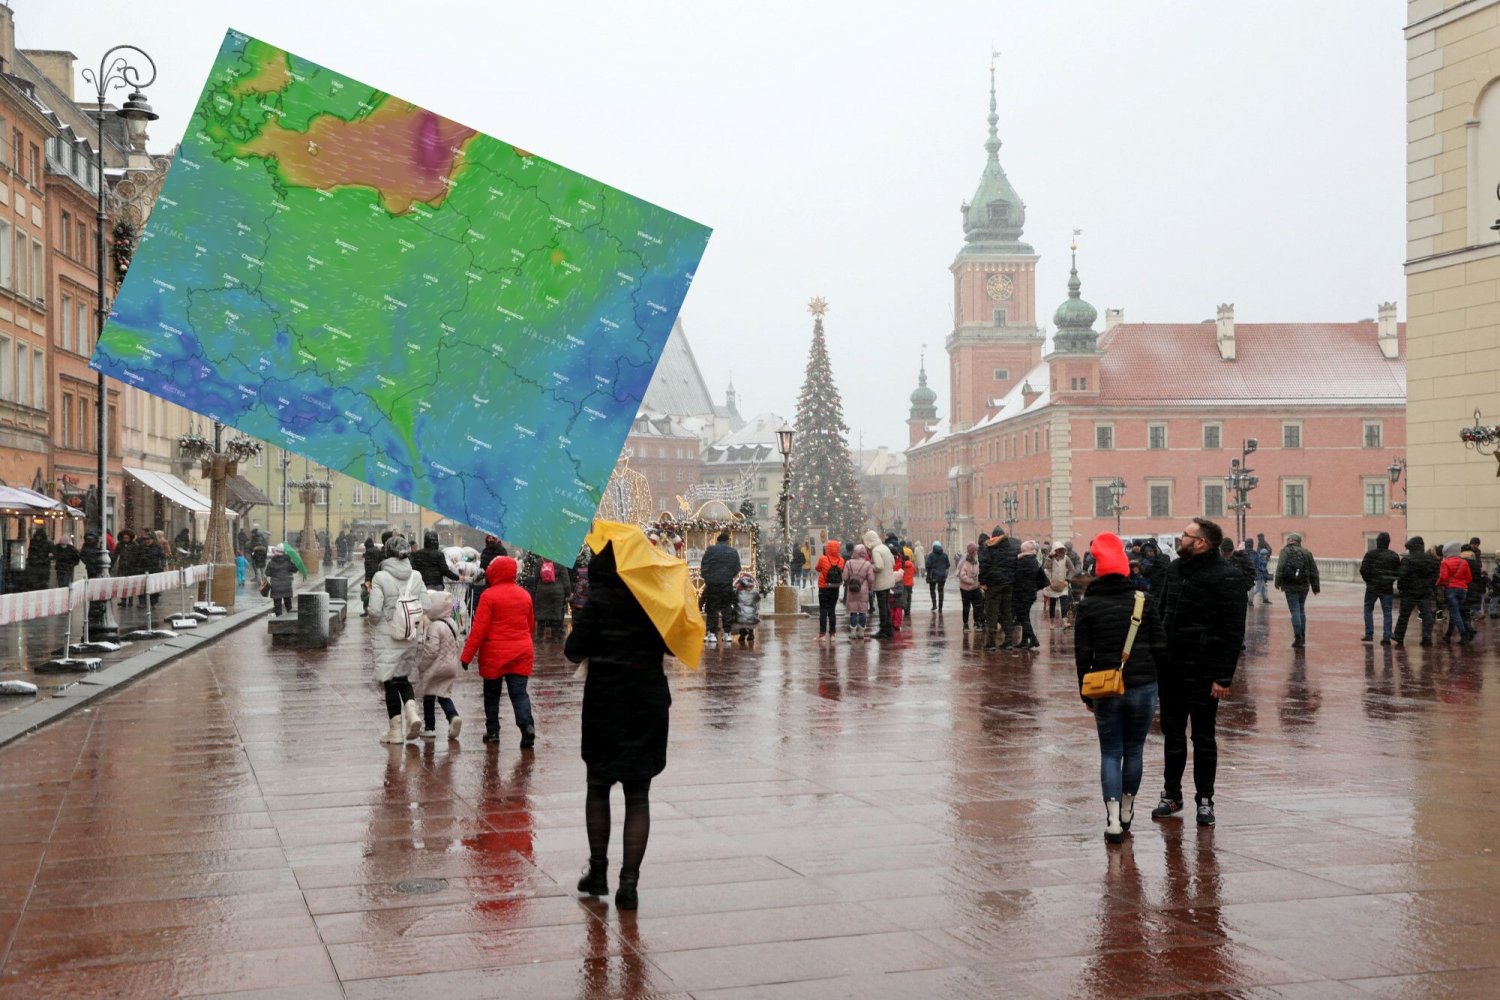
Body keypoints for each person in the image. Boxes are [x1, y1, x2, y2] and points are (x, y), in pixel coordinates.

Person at [564, 537, 672, 911]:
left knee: (598, 788)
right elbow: (674, 645)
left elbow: (572, 651)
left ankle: (598, 872)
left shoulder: (598, 601)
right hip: (646, 703)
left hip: (605, 704)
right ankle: (629, 884)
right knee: (638, 795)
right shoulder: (655, 601)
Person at [1151, 517, 1246, 828]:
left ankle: (1205, 799)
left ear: (1201, 542)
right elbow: (1162, 614)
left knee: (1204, 737)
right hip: (1172, 669)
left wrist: (1223, 676)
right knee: (1173, 734)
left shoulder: (1227, 576)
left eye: (1186, 535)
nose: (1181, 539)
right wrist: (1157, 657)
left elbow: (1233, 630)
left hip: (1205, 672)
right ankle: (1171, 794)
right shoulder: (1174, 570)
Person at [1075, 532, 1166, 844]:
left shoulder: (1088, 605)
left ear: (1099, 570)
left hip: (1105, 686)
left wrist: (1085, 692)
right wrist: (1161, 684)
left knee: (1111, 752)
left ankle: (1113, 820)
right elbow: (1160, 647)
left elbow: (1082, 654)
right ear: (1126, 568)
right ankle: (1128, 810)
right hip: (1143, 685)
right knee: (1134, 750)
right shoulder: (1143, 601)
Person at [461, 555, 537, 746]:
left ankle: (493, 731)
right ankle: (527, 726)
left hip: (494, 654)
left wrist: (466, 656)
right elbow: (530, 626)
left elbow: (479, 630)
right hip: (521, 651)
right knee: (519, 693)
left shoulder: (489, 596)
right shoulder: (524, 595)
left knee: (492, 695)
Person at [368, 536, 426, 743]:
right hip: (409, 634)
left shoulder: (380, 577)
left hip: (388, 636)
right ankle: (412, 713)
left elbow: (374, 611)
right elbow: (427, 605)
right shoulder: (416, 576)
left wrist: (376, 620)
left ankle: (395, 732)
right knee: (402, 678)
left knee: (390, 681)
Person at [409, 589, 463, 740]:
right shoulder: (452, 623)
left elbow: (431, 651)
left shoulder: (434, 626)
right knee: (444, 694)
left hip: (436, 667)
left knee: (429, 695)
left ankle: (430, 727)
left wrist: (422, 666)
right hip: (451, 666)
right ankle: (453, 716)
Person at [1273, 532, 1320, 649]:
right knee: (1301, 610)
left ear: (1291, 540)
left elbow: (1280, 567)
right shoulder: (1306, 552)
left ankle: (1298, 637)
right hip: (1304, 586)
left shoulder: (1285, 551)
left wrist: (1277, 582)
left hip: (1290, 586)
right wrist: (1315, 587)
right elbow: (1314, 570)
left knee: (1295, 611)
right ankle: (1302, 636)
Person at [978, 526, 1020, 651]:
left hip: (994, 585)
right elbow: (1015, 567)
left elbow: (984, 566)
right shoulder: (1012, 550)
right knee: (1007, 612)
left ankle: (991, 642)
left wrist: (983, 582)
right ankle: (1008, 641)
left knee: (992, 612)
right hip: (1008, 585)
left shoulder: (990, 549)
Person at [1393, 535, 1438, 647]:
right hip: (1424, 592)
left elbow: (1402, 576)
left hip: (1409, 592)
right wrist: (1429, 586)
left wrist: (1401, 588)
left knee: (1404, 615)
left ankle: (1399, 636)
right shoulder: (1429, 559)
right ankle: (1427, 637)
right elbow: (1434, 575)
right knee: (1427, 615)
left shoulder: (1407, 559)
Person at [1359, 531, 1401, 645]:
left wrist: (1369, 581)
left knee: (1368, 609)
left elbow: (1363, 570)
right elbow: (1398, 572)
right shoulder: (1393, 555)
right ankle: (1386, 637)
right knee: (1387, 612)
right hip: (1386, 588)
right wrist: (1390, 580)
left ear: (1377, 542)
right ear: (1388, 542)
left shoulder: (1370, 554)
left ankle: (1369, 634)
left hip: (1372, 587)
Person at [699, 531, 740, 645]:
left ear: (717, 541)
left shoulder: (710, 550)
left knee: (712, 608)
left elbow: (704, 566)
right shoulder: (733, 552)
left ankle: (712, 633)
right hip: (726, 583)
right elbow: (737, 568)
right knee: (726, 607)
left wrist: (708, 578)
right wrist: (728, 577)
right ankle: (727, 633)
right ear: (727, 541)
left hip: (712, 584)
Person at [1438, 541, 1475, 644]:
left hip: (1451, 590)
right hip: (1463, 590)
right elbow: (1469, 578)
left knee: (1455, 613)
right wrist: (1461, 583)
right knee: (1458, 612)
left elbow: (1443, 578)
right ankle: (1451, 634)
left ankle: (1464, 634)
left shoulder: (1445, 562)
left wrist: (1438, 584)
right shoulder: (1464, 562)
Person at [862, 529, 896, 639]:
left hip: (881, 582)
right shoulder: (884, 547)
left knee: (882, 607)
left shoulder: (876, 550)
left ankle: (883, 629)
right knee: (886, 606)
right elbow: (893, 562)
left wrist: (869, 566)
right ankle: (889, 629)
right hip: (888, 581)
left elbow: (879, 566)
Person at [1012, 540, 1046, 649]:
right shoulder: (1033, 559)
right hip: (1030, 593)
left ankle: (1033, 639)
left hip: (1023, 593)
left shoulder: (1023, 560)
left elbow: (1017, 576)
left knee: (1022, 616)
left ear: (1024, 549)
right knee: (1025, 616)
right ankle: (1024, 641)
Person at [532, 556, 571, 640]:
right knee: (556, 615)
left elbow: (536, 578)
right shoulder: (561, 561)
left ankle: (539, 637)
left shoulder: (540, 561)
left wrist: (535, 591)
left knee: (541, 615)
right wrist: (567, 593)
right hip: (557, 591)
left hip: (542, 590)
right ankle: (555, 637)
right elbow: (565, 580)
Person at [813, 539, 845, 639]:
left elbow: (817, 568)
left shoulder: (823, 559)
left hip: (824, 587)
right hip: (835, 588)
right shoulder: (841, 560)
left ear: (828, 548)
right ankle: (832, 634)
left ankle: (822, 634)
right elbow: (841, 571)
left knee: (823, 610)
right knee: (832, 610)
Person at [843, 543, 875, 638]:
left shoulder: (848, 562)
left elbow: (844, 577)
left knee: (853, 612)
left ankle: (853, 633)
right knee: (862, 612)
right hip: (863, 590)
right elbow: (871, 579)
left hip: (852, 589)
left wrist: (850, 580)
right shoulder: (867, 564)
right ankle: (861, 633)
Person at [958, 540, 984, 633]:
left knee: (977, 606)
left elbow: (978, 572)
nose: (976, 552)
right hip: (965, 589)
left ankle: (977, 622)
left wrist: (978, 581)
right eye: (975, 551)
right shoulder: (964, 562)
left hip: (975, 588)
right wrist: (972, 581)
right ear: (972, 551)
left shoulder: (976, 561)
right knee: (966, 607)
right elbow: (962, 576)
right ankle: (965, 624)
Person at [1042, 543, 1072, 624]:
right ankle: (1052, 622)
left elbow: (1072, 569)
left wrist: (1068, 580)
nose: (1058, 551)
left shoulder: (1066, 558)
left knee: (1064, 603)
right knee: (1052, 604)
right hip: (1053, 584)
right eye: (1057, 549)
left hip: (1063, 584)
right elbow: (1046, 566)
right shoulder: (1051, 558)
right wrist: (1050, 557)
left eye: (1060, 549)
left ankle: (1065, 622)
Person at [264, 544, 297, 616]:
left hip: (276, 586)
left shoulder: (271, 562)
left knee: (277, 605)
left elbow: (267, 573)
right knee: (288, 604)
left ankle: (279, 618)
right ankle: (290, 618)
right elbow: (295, 569)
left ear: (276, 552)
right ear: (284, 552)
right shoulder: (288, 561)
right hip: (286, 585)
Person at [732, 571, 760, 645]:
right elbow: (757, 600)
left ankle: (742, 633)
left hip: (741, 619)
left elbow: (733, 600)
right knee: (749, 614)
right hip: (753, 620)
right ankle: (750, 633)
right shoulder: (755, 593)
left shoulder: (737, 593)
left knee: (739, 614)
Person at [24, 527, 53, 591]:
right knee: (37, 584)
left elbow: (52, 555)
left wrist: (44, 559)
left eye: (39, 536)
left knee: (41, 584)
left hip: (41, 566)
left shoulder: (35, 542)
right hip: (38, 566)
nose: (38, 538)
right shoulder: (34, 542)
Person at [923, 542, 949, 612]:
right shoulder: (945, 555)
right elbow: (948, 565)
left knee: (932, 590)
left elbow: (927, 565)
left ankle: (934, 605)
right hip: (942, 576)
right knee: (941, 591)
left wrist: (929, 571)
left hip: (933, 575)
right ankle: (940, 608)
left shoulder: (930, 555)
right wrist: (942, 568)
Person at [360, 537, 382, 618]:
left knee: (366, 594)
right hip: (377, 575)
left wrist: (368, 578)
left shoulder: (369, 552)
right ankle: (376, 609)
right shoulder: (377, 550)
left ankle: (366, 610)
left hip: (369, 576)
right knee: (376, 594)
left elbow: (369, 565)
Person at [1246, 539, 1271, 605]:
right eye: (1266, 554)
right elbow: (1262, 569)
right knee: (1257, 588)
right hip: (1260, 576)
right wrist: (1265, 575)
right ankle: (1249, 598)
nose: (1266, 555)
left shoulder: (1259, 557)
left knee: (1263, 588)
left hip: (1260, 575)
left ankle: (1265, 599)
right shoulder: (1262, 559)